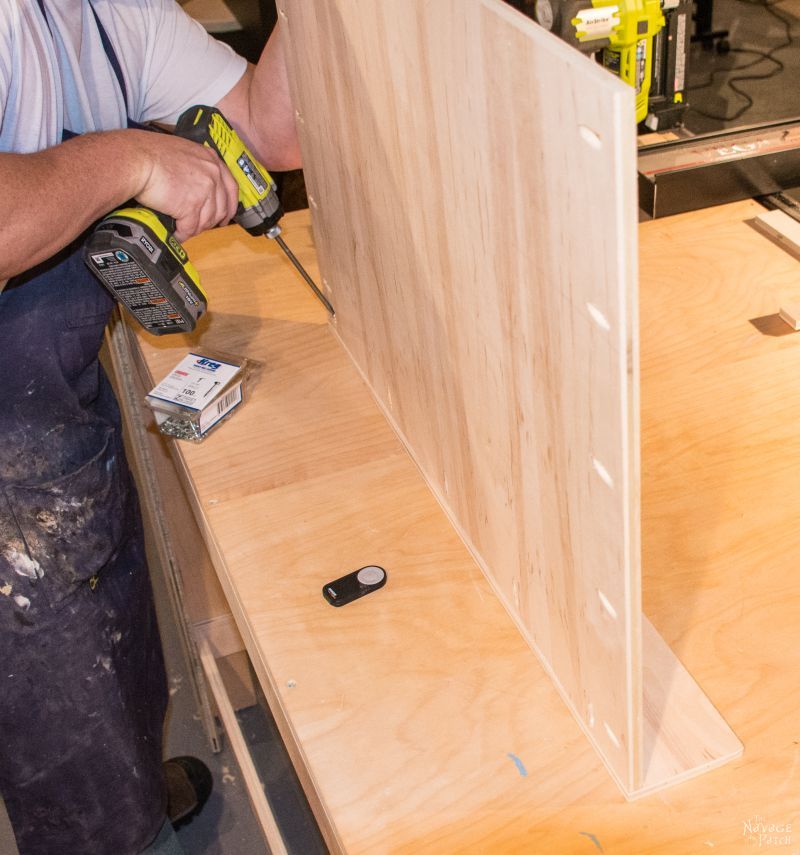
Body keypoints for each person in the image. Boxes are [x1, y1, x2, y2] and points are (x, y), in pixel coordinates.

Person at [0, 2, 301, 852]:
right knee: (51, 718)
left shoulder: (99, 9)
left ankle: (127, 784)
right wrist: (130, 158)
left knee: (113, 623)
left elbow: (271, 135)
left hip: (52, 409)